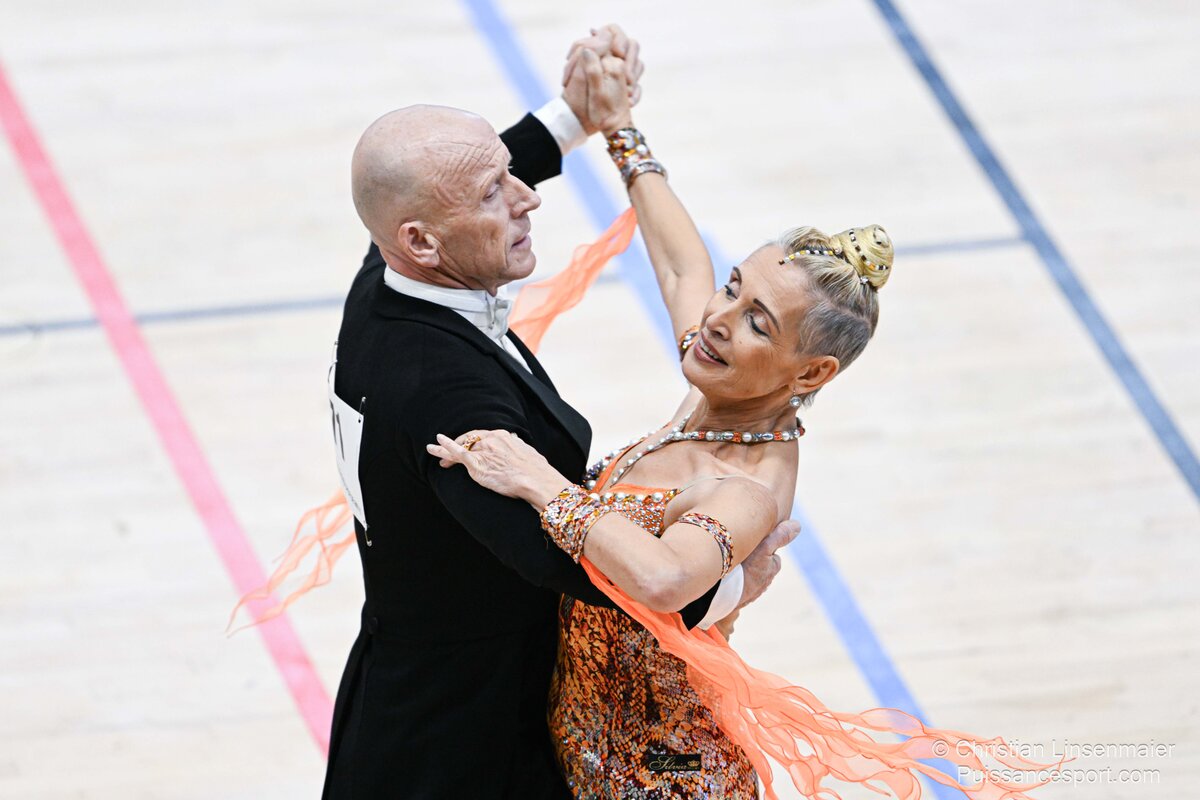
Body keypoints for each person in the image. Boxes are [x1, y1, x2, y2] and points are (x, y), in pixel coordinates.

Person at [428, 50, 1061, 800]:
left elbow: (663, 579)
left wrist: (542, 484)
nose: (718, 320)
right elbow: (678, 265)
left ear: (811, 374)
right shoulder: (720, 391)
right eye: (734, 288)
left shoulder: (746, 485)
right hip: (580, 744)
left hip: (661, 776)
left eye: (758, 321)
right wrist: (619, 127)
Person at [310, 27, 796, 800]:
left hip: (421, 683)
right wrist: (727, 586)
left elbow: (451, 180)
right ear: (421, 242)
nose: (526, 196)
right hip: (464, 738)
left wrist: (573, 116)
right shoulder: (449, 402)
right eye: (493, 194)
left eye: (511, 174)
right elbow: (560, 556)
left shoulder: (387, 283)